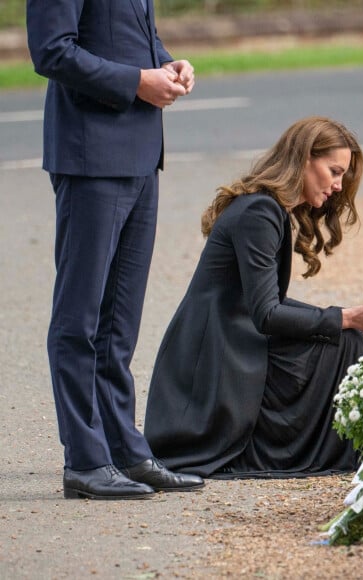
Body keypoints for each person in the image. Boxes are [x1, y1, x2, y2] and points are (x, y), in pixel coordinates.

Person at [144, 116, 363, 479]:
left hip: (227, 343)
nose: (338, 185)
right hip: (220, 358)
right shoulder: (260, 212)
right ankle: (317, 449)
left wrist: (340, 317)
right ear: (303, 158)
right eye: (334, 171)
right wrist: (343, 318)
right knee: (347, 344)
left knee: (344, 339)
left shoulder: (266, 208)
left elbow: (268, 304)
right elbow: (267, 314)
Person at [26, 0, 204, 499]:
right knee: (79, 320)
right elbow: (52, 51)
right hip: (91, 156)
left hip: (142, 154)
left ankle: (125, 450)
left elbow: (126, 34)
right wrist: (136, 83)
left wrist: (166, 64)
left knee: (118, 326)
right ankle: (85, 460)